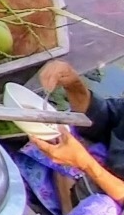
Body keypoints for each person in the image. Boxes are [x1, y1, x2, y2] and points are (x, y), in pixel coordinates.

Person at [26, 60, 124, 206]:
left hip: (110, 210)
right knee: (61, 131)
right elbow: (102, 117)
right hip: (99, 173)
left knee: (101, 210)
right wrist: (73, 84)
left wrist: (86, 163)